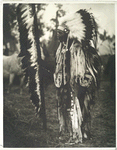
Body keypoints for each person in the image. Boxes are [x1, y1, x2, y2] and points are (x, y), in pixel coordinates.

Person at [54, 9, 101, 144]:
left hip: (79, 82)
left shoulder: (77, 48)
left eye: (60, 33)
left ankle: (81, 132)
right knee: (66, 106)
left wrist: (81, 80)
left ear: (67, 33)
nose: (58, 35)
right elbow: (59, 66)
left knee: (81, 106)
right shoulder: (61, 48)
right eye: (57, 33)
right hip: (64, 83)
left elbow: (84, 66)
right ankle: (68, 131)